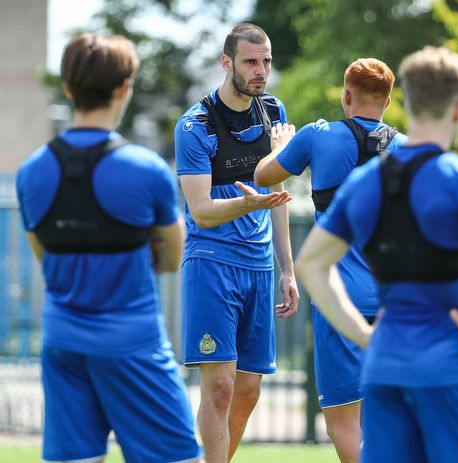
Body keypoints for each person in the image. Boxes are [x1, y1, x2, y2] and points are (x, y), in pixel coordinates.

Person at [294, 46, 458, 463]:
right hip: (451, 366)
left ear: (410, 104)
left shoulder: (366, 183)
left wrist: (363, 335)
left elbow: (310, 263)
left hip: (386, 366)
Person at [15, 33, 201, 463]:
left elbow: (45, 255)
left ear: (67, 88)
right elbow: (173, 258)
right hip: (133, 342)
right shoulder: (146, 169)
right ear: (124, 88)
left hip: (61, 342)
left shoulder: (30, 173)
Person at [254, 58, 406, 463]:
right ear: (388, 101)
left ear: (346, 95)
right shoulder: (409, 149)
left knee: (343, 415)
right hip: (397, 300)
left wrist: (279, 148)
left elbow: (263, 176)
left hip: (339, 297)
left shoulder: (318, 136)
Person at [174, 23, 300, 463]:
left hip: (259, 266)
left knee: (248, 390)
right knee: (221, 387)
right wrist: (253, 203)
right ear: (226, 63)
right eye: (250, 61)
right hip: (211, 262)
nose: (260, 70)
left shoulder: (273, 112)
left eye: (266, 61)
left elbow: (278, 198)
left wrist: (287, 268)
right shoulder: (195, 124)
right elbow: (202, 211)